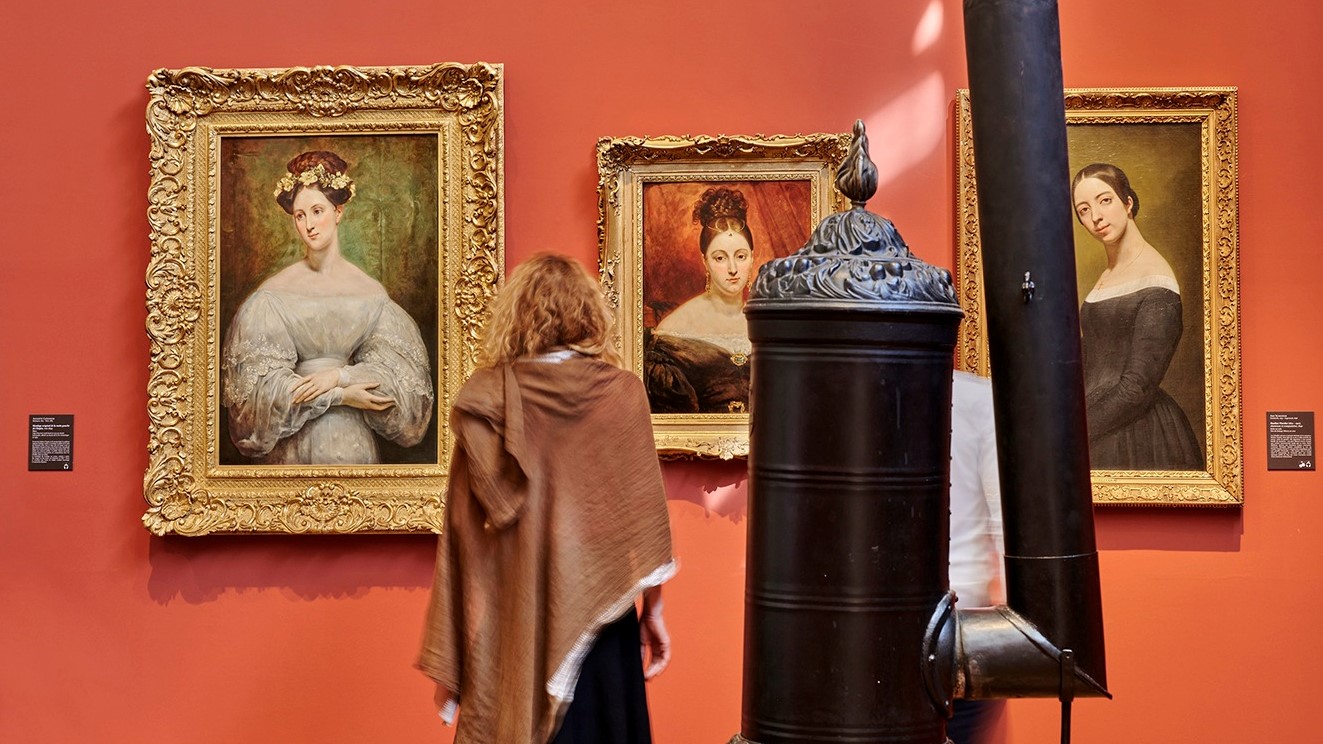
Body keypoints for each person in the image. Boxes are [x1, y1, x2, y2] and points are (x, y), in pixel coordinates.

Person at [418, 253, 677, 743]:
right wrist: (655, 612)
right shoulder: (621, 394)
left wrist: (458, 656)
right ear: (589, 314)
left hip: (515, 620)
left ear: (515, 317)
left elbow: (461, 538)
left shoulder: (485, 401)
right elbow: (643, 523)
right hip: (603, 625)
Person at [221, 150, 434, 465]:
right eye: (300, 215)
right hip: (290, 445)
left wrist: (339, 376)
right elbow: (255, 401)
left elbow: (404, 388)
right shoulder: (272, 295)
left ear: (339, 212)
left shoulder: (370, 293)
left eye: (317, 211)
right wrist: (341, 395)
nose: (309, 225)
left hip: (351, 444)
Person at [1071, 162, 1202, 470]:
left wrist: (1072, 431)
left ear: (1127, 202)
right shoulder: (1109, 273)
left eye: (1105, 200)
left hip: (1134, 431)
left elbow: (1136, 389)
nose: (1096, 217)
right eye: (1084, 210)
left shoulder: (1157, 281)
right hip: (1095, 418)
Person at [645, 186, 755, 413]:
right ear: (705, 261)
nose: (733, 268)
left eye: (741, 256)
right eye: (720, 258)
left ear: (752, 258)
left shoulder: (767, 318)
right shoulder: (674, 329)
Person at [946, 370, 1006, 743]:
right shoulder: (978, 399)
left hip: (869, 620)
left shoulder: (850, 391)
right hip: (962, 622)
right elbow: (1006, 521)